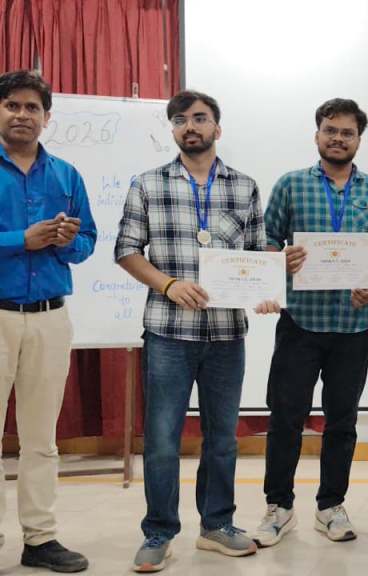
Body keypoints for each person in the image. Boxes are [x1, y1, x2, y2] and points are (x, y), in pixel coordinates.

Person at [116, 90, 280, 573]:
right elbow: (126, 250)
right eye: (180, 119)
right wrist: (168, 285)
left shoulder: (244, 187)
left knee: (222, 438)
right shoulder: (148, 184)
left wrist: (266, 290)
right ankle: (159, 532)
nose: (191, 126)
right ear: (173, 129)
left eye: (200, 118)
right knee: (162, 440)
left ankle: (216, 525)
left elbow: (258, 254)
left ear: (217, 128)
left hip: (226, 334)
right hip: (168, 333)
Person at [254, 98, 368, 547]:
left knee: (342, 421)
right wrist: (280, 258)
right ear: (317, 134)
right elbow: (265, 240)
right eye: (330, 130)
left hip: (354, 326)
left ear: (359, 139)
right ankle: (279, 507)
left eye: (347, 132)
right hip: (300, 322)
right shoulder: (291, 185)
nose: (338, 138)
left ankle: (331, 506)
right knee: (285, 418)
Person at [0, 69, 95, 573]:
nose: (22, 114)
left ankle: (39, 539)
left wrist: (66, 242)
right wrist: (21, 240)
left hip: (51, 318)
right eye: (12, 105)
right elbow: (22, 240)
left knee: (41, 438)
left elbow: (88, 242)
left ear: (46, 117)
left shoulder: (66, 175)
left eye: (32, 107)